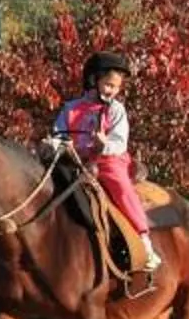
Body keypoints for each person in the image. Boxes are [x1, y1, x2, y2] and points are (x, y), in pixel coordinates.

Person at [49, 51, 159, 294]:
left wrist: (104, 144)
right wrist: (56, 145)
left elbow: (120, 141)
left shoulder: (116, 110)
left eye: (116, 87)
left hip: (108, 160)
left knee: (119, 185)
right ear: (93, 80)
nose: (112, 91)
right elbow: (59, 133)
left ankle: (143, 240)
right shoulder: (71, 109)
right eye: (109, 84)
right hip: (74, 161)